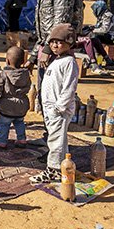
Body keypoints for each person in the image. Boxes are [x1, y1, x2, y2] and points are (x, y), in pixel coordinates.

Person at [29, 24, 79, 183]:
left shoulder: (69, 62)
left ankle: (52, 171)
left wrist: (60, 107)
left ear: (70, 43)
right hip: (51, 109)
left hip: (59, 110)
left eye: (60, 42)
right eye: (53, 42)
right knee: (58, 140)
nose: (55, 45)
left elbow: (69, 87)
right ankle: (62, 167)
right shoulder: (57, 60)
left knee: (55, 142)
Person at [25, 0, 83, 81]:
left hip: (58, 50)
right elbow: (45, 33)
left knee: (55, 90)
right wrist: (33, 57)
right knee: (45, 90)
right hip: (49, 48)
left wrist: (47, 50)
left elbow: (61, 24)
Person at [0, 46, 31, 149]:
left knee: (4, 124)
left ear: (7, 61)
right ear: (23, 61)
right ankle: (22, 139)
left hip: (7, 105)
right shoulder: (26, 74)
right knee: (19, 122)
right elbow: (28, 88)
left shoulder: (3, 74)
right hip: (21, 105)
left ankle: (2, 141)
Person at [77, 0, 114, 74]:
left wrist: (93, 30)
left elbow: (104, 30)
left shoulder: (107, 15)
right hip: (109, 35)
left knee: (95, 38)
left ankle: (98, 62)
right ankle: (103, 60)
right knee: (94, 36)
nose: (94, 11)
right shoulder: (103, 14)